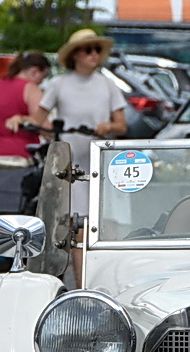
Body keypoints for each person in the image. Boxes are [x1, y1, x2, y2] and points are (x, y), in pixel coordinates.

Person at [31, 28, 128, 282]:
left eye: (97, 49)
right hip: (71, 164)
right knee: (76, 227)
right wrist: (48, 136)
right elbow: (38, 120)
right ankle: (83, 284)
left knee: (107, 224)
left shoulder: (107, 84)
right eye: (88, 50)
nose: (93, 55)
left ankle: (105, 282)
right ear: (75, 55)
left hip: (100, 160)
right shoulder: (59, 84)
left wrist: (107, 127)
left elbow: (122, 124)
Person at [0, 50, 50, 157]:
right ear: (35, 71)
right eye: (42, 78)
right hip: (19, 156)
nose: (41, 83)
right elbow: (45, 127)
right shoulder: (30, 89)